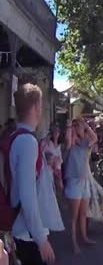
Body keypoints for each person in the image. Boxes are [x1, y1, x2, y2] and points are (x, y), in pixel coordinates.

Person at [9, 83, 56, 265]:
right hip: (27, 233)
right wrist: (41, 239)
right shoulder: (27, 142)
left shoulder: (16, 137)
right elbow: (27, 196)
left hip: (23, 229)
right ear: (37, 106)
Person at [64, 118, 98, 253]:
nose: (80, 129)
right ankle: (73, 243)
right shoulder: (69, 146)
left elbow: (94, 138)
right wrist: (70, 126)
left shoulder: (84, 144)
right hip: (73, 183)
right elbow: (68, 140)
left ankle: (84, 237)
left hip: (84, 183)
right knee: (74, 217)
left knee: (83, 213)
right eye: (78, 127)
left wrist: (86, 127)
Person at [43, 125, 64, 192]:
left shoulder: (60, 145)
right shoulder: (48, 143)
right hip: (49, 169)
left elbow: (61, 159)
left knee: (59, 185)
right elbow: (44, 155)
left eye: (57, 132)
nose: (56, 133)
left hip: (58, 169)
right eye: (54, 132)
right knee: (50, 187)